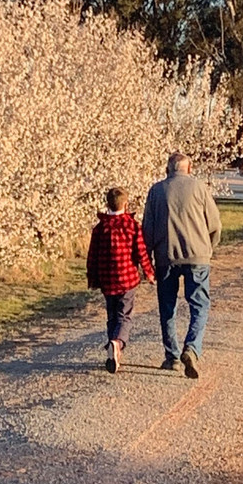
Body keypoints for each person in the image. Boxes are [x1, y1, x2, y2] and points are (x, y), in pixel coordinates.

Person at [142, 152, 222, 379]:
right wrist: (208, 249)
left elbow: (147, 228)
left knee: (167, 308)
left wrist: (145, 260)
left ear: (168, 169)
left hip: (166, 256)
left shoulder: (156, 191)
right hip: (197, 256)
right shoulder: (199, 188)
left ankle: (173, 357)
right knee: (200, 305)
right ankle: (192, 348)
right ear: (190, 167)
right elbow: (215, 223)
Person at [86, 187, 155, 374]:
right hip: (127, 279)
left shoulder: (100, 229)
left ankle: (112, 350)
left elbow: (92, 256)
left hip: (107, 280)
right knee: (124, 315)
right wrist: (149, 272)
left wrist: (92, 278)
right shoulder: (132, 226)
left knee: (111, 316)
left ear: (107, 204)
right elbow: (141, 252)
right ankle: (117, 343)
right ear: (126, 204)